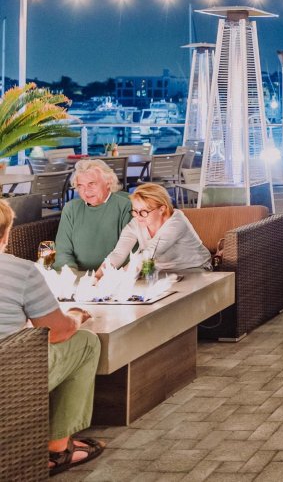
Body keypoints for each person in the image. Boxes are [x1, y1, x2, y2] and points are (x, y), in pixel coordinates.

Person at [0, 200, 106, 475]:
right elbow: (57, 331)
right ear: (6, 235)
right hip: (6, 381)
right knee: (85, 343)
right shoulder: (19, 270)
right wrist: (75, 314)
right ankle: (57, 450)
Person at [98, 183, 211, 277]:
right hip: (161, 272)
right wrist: (97, 277)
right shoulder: (137, 221)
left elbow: (149, 253)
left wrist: (118, 278)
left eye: (144, 211)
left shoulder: (177, 222)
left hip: (195, 269)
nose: (137, 216)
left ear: (162, 209)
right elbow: (118, 253)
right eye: (134, 211)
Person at [54, 160, 133, 273]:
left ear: (108, 182)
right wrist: (72, 276)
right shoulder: (71, 208)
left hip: (114, 278)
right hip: (79, 276)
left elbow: (131, 254)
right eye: (80, 186)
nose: (86, 191)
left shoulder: (126, 206)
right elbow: (62, 252)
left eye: (92, 184)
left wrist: (102, 278)